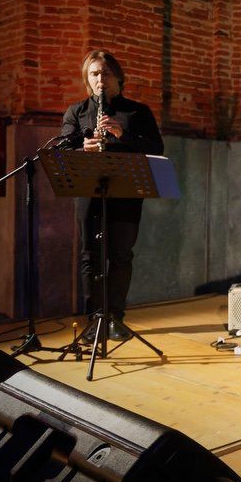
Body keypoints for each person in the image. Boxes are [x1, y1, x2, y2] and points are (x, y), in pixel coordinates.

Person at [61, 50, 164, 341]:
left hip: (126, 192)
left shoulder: (137, 112)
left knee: (121, 255)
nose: (100, 79)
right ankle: (95, 319)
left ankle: (115, 317)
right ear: (87, 79)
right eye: (94, 74)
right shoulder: (77, 112)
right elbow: (62, 151)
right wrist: (82, 150)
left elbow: (156, 148)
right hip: (88, 192)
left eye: (105, 73)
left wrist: (122, 135)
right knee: (90, 256)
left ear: (118, 77)